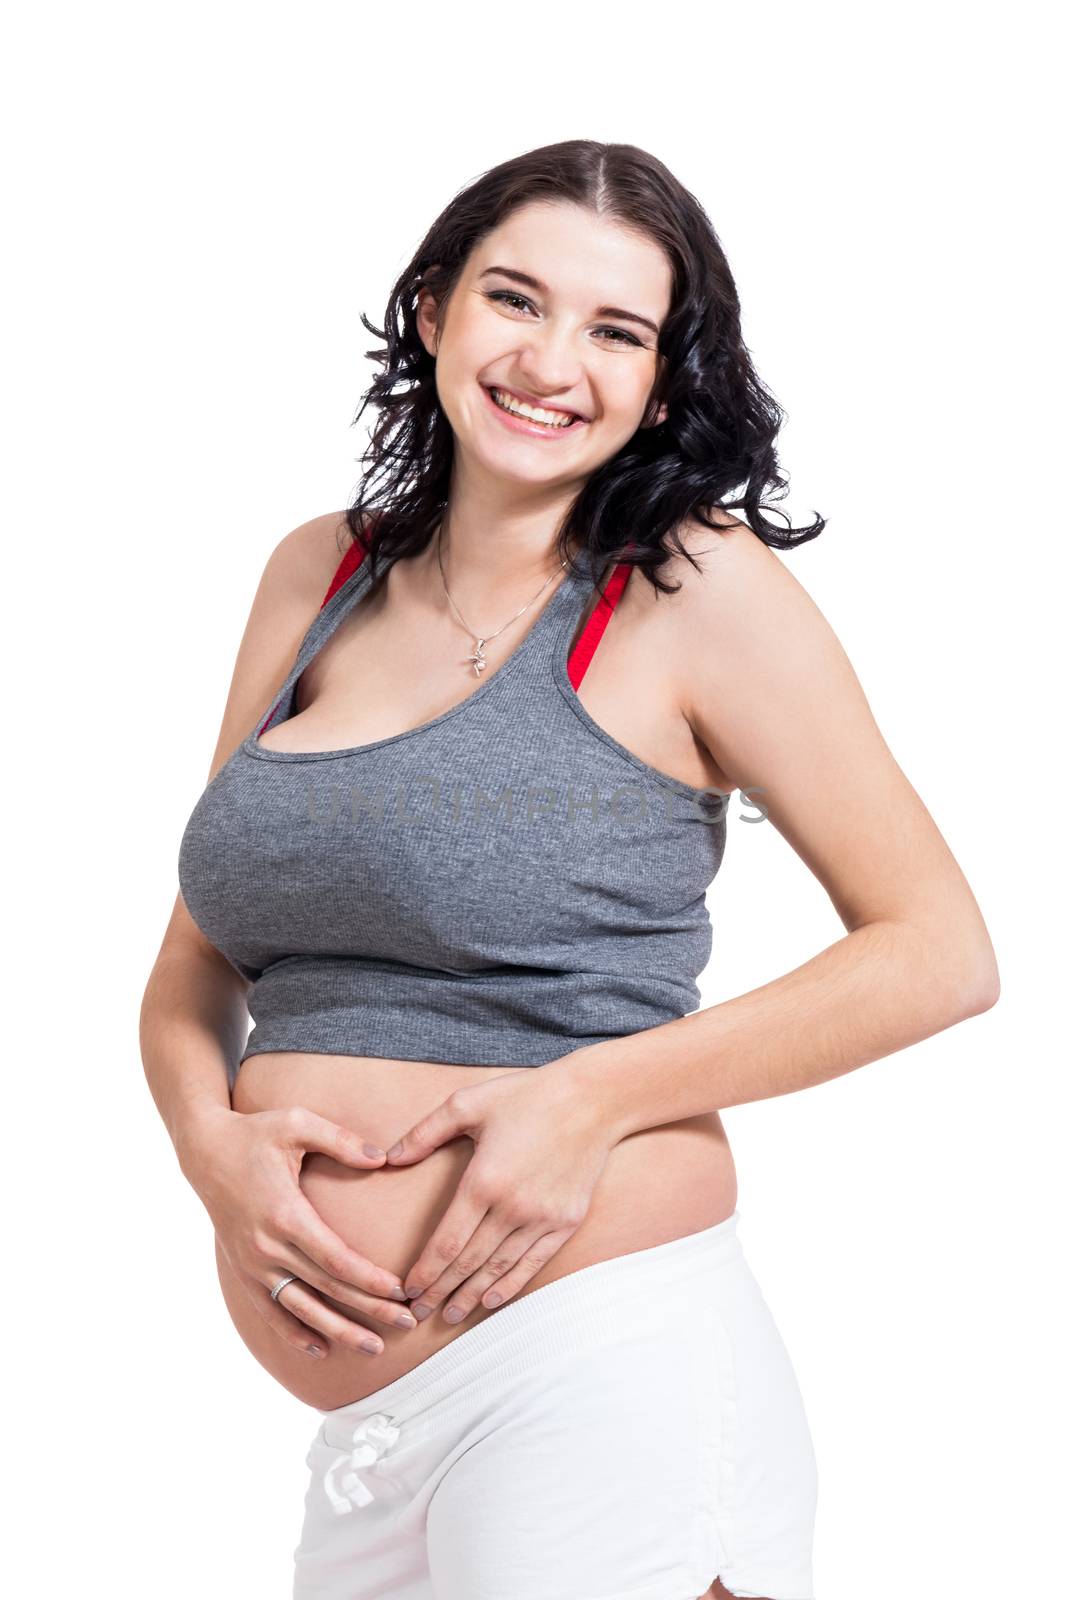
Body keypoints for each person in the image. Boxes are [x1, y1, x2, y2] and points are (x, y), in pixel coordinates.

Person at [140, 140, 999, 1600]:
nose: (553, 362)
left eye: (617, 331)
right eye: (515, 300)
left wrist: (590, 1096)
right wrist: (210, 1153)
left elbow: (938, 949)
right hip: (372, 1437)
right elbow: (192, 966)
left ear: (664, 382)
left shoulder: (693, 588)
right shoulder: (316, 575)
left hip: (608, 1378)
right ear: (433, 312)